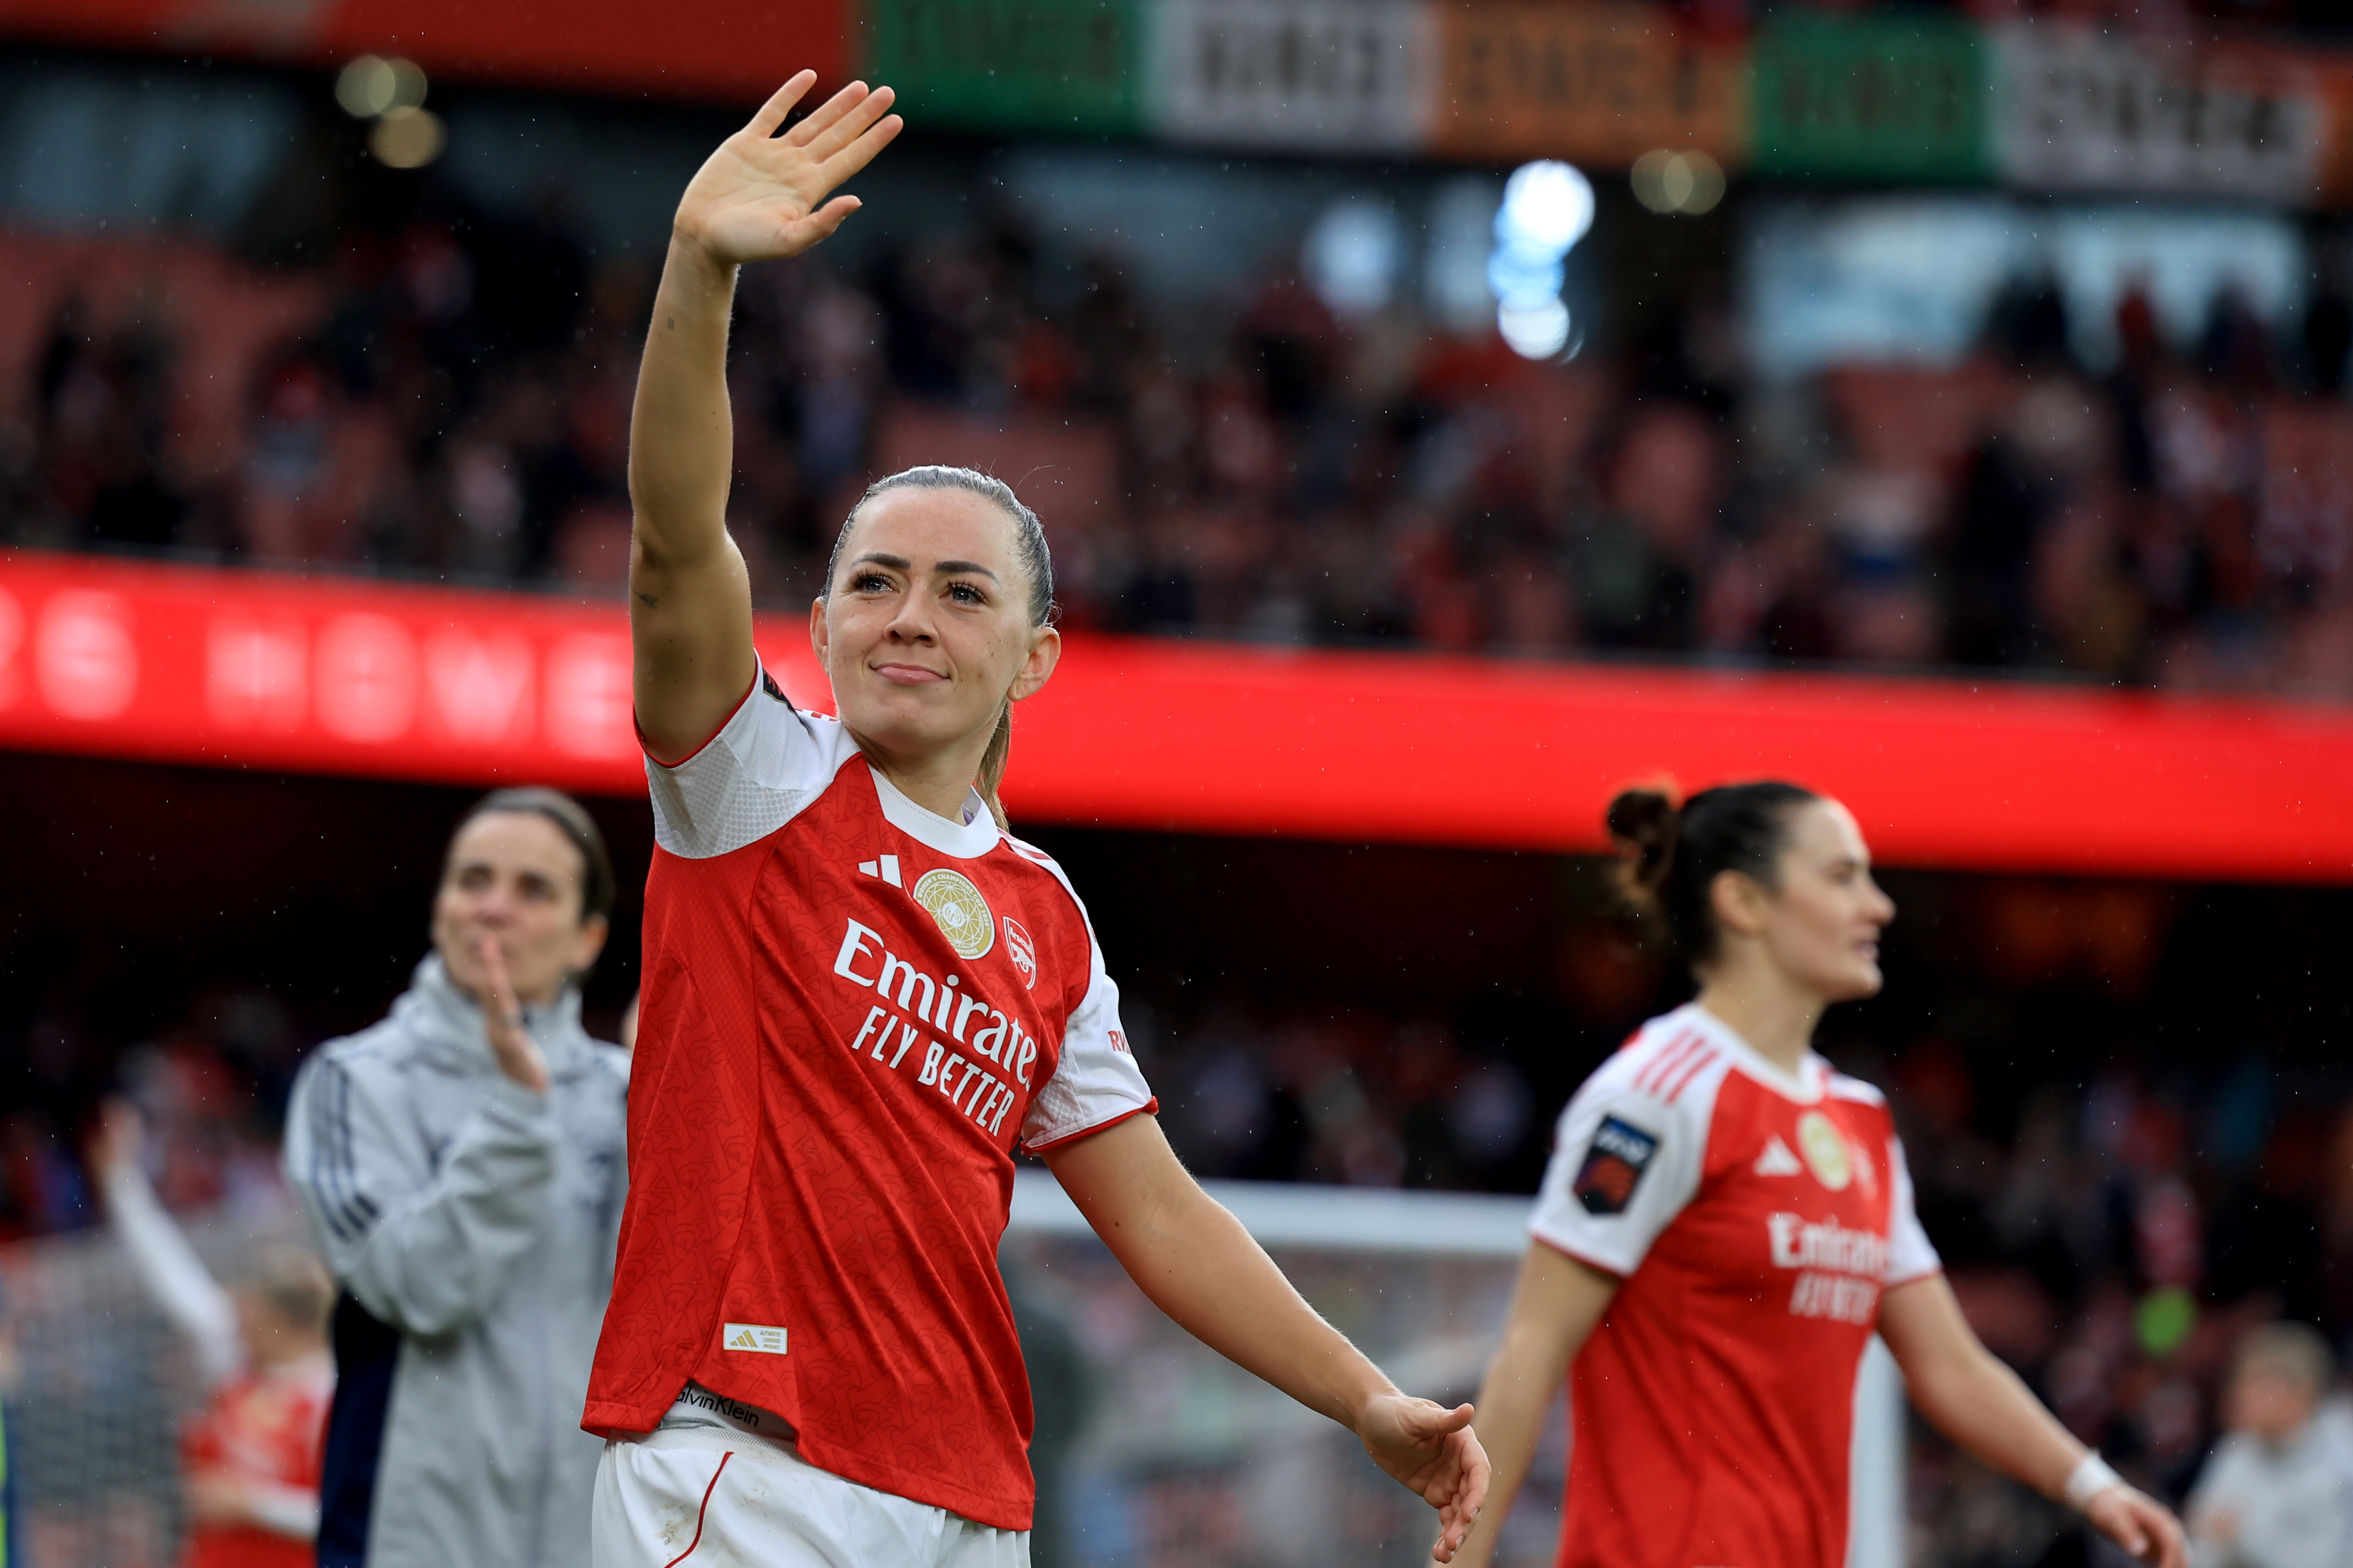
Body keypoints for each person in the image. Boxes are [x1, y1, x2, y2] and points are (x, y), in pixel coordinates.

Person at [585, 69, 1489, 1567]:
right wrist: (700, 276)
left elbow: (1158, 1214)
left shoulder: (1046, 918)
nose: (906, 618)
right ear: (815, 622)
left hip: (965, 1503)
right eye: (872, 583)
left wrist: (1362, 1397)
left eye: (960, 590)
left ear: (1037, 655)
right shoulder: (753, 784)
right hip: (741, 1466)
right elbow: (678, 545)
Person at [1442, 781, 2187, 1568]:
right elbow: (1531, 1348)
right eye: (1842, 877)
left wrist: (2091, 1483)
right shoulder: (1652, 1097)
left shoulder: (1858, 1118)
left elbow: (1952, 1366)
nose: (1879, 906)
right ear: (1743, 901)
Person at [282, 787, 629, 1568]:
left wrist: (685, 1098)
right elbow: (421, 1284)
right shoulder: (353, 1080)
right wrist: (517, 1113)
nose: (493, 908)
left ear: (586, 938)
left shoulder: (629, 1091)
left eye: (533, 889)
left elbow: (663, 1315)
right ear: (440, 905)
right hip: (406, 1535)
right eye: (473, 879)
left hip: (593, 1538)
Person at [90, 1100, 335, 1568]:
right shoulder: (239, 1371)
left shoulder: (332, 1399)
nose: (232, 1324)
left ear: (281, 1322)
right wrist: (121, 1181)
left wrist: (255, 1505)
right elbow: (171, 1278)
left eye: (247, 1315)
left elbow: (354, 1515)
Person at [2185, 1322, 2353, 1568]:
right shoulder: (2237, 1448)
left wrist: (2240, 1534)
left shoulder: (2341, 1460)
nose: (2240, 1395)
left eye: (2256, 1383)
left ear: (2301, 1392)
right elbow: (2202, 1539)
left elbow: (2328, 1561)